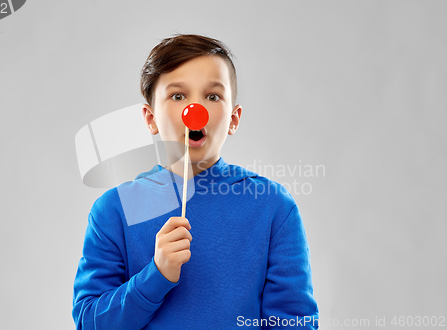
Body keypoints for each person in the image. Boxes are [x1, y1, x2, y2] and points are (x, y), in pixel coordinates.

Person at [72, 33, 319, 329]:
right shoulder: (115, 210)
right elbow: (90, 322)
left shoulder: (272, 206)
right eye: (178, 96)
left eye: (212, 96)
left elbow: (294, 321)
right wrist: (157, 275)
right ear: (150, 118)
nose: (195, 110)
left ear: (233, 119)